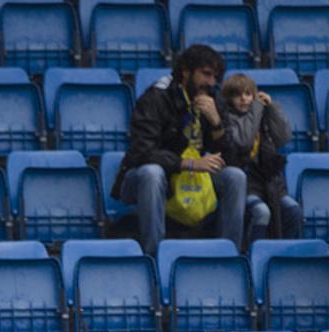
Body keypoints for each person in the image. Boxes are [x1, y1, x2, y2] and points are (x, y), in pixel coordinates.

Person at [111, 44, 247, 255]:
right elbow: (142, 152)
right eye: (206, 75)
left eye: (215, 76)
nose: (211, 82)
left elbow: (232, 159)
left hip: (194, 178)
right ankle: (155, 256)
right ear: (185, 72)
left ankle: (228, 254)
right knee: (152, 173)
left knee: (235, 177)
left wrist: (217, 124)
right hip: (145, 179)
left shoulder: (214, 98)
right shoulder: (156, 97)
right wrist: (189, 164)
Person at [220, 72, 303, 243]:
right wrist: (257, 110)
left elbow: (283, 137)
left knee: (294, 210)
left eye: (248, 94)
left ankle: (283, 252)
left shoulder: (262, 114)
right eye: (237, 95)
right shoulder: (227, 118)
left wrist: (272, 108)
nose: (243, 99)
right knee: (261, 212)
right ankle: (254, 255)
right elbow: (244, 141)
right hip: (248, 183)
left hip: (271, 182)